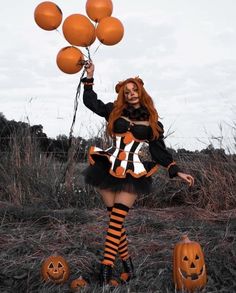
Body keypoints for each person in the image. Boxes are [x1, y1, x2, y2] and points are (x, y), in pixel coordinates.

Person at [81, 61, 194, 286]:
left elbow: (158, 150)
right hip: (107, 166)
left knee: (116, 221)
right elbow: (90, 103)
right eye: (127, 91)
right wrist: (90, 76)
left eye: (135, 90)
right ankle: (129, 268)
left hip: (133, 172)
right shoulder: (115, 111)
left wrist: (176, 170)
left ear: (141, 92)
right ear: (123, 95)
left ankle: (105, 270)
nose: (131, 94)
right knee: (115, 222)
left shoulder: (152, 122)